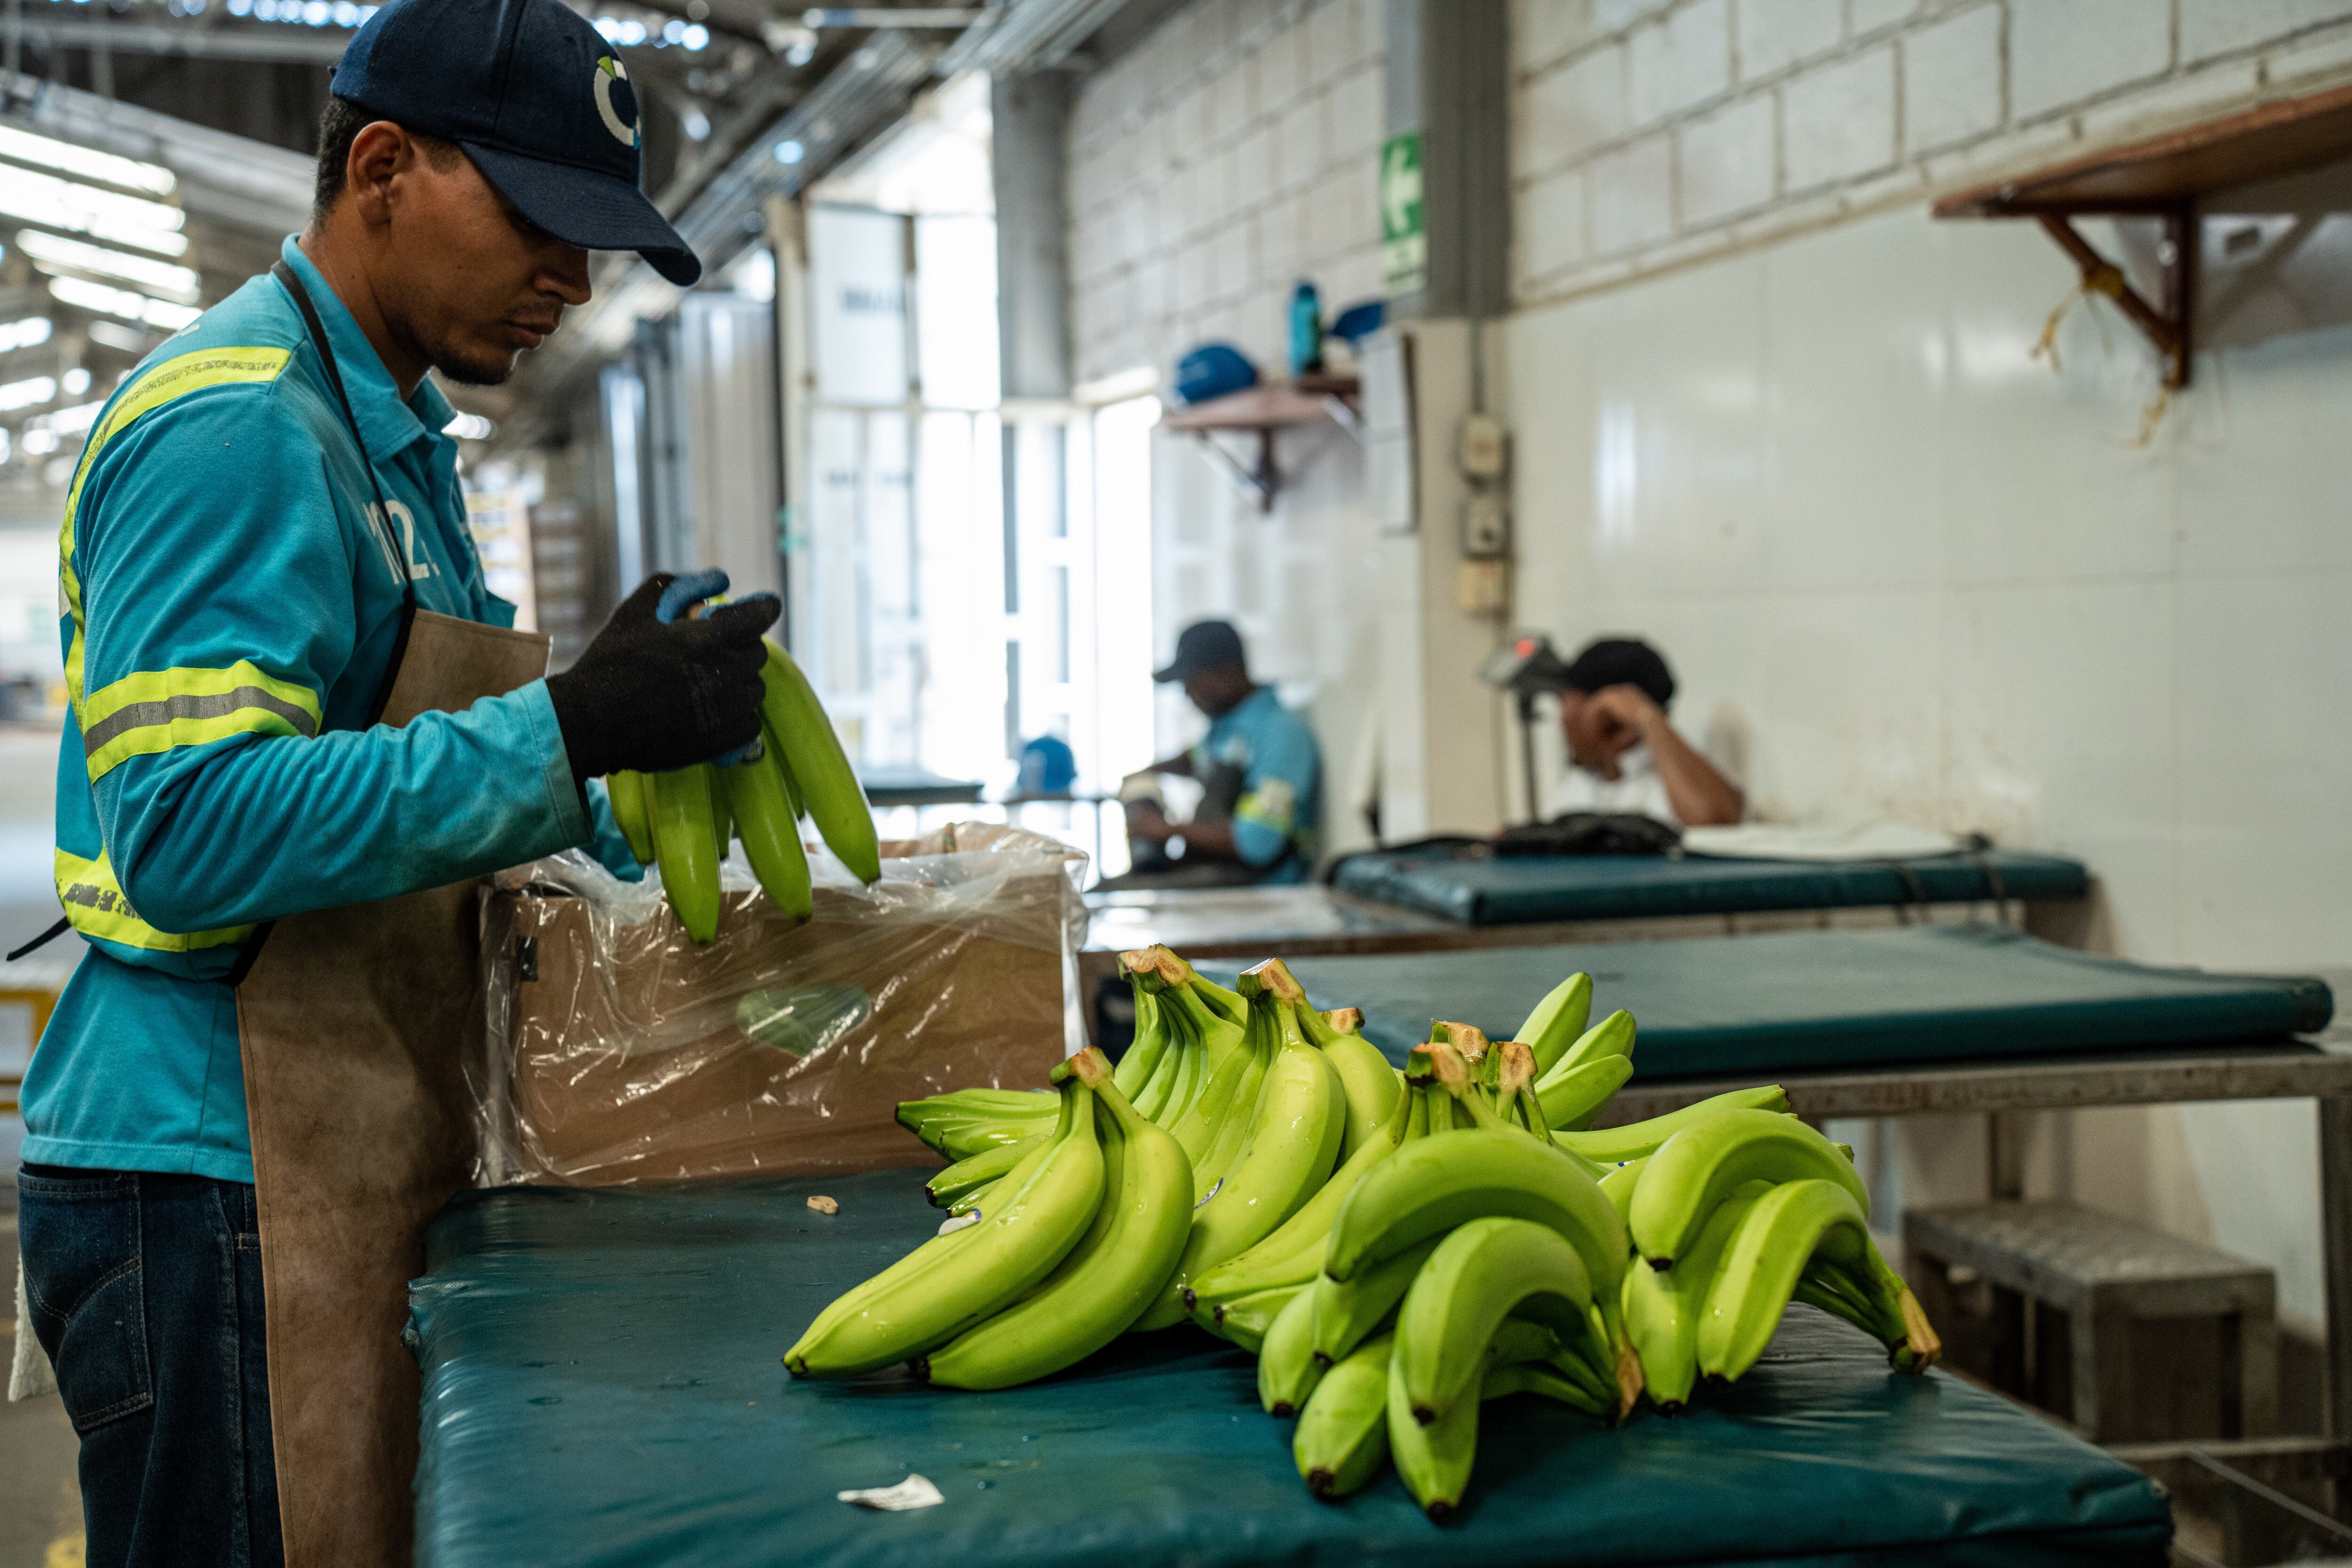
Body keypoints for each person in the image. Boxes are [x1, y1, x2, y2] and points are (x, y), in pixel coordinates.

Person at [14, 1, 776, 1562]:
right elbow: (188, 828)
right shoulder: (239, 428)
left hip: (324, 1129)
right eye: (540, 222)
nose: (574, 280)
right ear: (380, 169)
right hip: (212, 1171)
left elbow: (416, 779)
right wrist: (569, 729)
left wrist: (634, 767)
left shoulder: (389, 444)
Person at [1118, 619, 1321, 885]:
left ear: (1227, 671)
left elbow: (1258, 841)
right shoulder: (1225, 727)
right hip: (1207, 871)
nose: (1188, 694)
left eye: (1193, 682)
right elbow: (1198, 760)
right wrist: (1147, 776)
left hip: (1254, 885)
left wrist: (1167, 829)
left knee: (1107, 898)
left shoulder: (1280, 736)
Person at [1550, 637, 1743, 828]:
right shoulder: (1578, 787)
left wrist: (1646, 717)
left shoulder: (1667, 788)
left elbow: (1717, 826)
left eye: (1565, 703)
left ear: (1606, 713)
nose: (1562, 720)